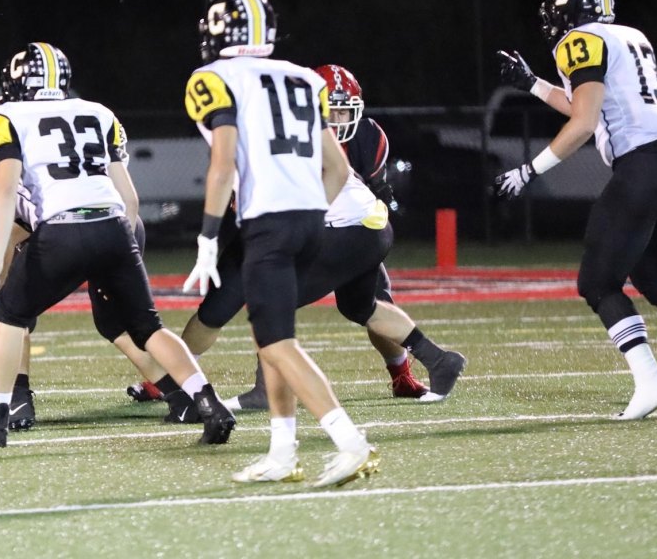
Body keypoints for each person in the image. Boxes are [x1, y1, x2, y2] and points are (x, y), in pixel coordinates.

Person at [494, 0, 657, 419]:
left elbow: (584, 123)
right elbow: (585, 104)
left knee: (596, 282)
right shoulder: (629, 35)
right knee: (652, 277)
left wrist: (529, 170)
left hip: (642, 167)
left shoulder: (580, 41)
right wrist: (532, 83)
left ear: (572, 5)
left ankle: (651, 380)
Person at [0, 43, 236, 448]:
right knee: (149, 327)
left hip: (61, 228)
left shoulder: (6, 117)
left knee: (8, 316)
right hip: (115, 225)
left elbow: (4, 192)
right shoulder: (98, 112)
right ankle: (209, 404)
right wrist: (122, 249)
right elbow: (130, 198)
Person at [160, 64, 465, 416]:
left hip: (349, 226)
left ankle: (265, 391)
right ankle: (440, 360)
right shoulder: (292, 130)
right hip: (366, 224)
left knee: (273, 298)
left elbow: (265, 189)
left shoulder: (266, 138)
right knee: (361, 306)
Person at [181, 0, 377, 487]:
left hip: (267, 220)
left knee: (279, 343)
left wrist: (207, 237)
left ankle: (350, 442)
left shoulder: (213, 79)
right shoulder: (304, 78)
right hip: (310, 217)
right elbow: (338, 168)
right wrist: (307, 213)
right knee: (271, 340)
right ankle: (282, 451)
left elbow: (224, 163)